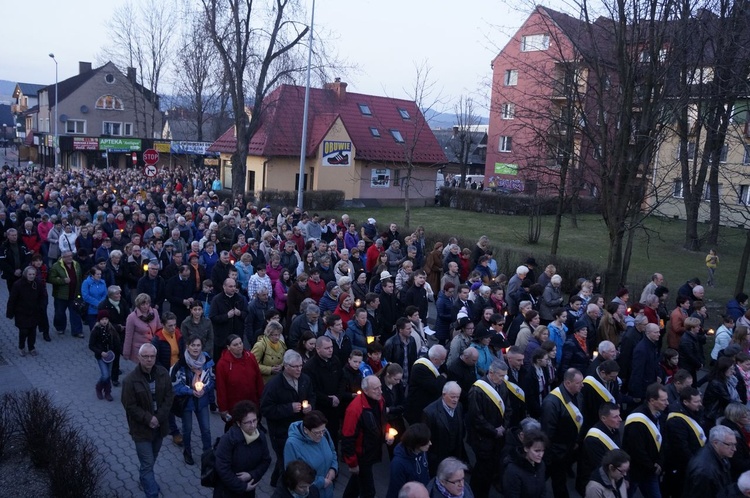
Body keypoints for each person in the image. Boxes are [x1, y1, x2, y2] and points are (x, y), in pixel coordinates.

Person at [121, 343, 174, 498]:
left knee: (151, 459)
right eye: (145, 356)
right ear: (139, 358)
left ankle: (144, 478)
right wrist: (148, 418)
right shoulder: (130, 380)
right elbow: (129, 405)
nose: (149, 359)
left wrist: (158, 418)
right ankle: (151, 492)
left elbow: (169, 397)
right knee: (147, 462)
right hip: (141, 430)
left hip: (160, 426)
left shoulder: (163, 373)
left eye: (152, 356)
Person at [260, 350, 315, 487]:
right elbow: (266, 409)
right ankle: (282, 488)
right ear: (285, 366)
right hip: (281, 432)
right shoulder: (274, 385)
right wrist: (288, 408)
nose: (299, 369)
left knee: (287, 461)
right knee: (285, 462)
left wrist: (310, 407)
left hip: (299, 429)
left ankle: (275, 481)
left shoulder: (305, 379)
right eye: (295, 366)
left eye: (300, 366)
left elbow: (312, 395)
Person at [467, 359, 510, 497]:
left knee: (492, 466)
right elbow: (476, 417)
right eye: (501, 376)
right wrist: (493, 430)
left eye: (505, 376)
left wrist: (504, 427)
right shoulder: (477, 390)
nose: (503, 379)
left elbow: (508, 409)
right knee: (482, 469)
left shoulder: (502, 386)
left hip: (498, 435)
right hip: (482, 438)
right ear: (491, 373)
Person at [341, 375, 390, 498]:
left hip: (371, 450)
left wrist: (387, 432)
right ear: (365, 390)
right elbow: (348, 437)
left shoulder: (380, 400)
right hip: (362, 455)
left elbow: (383, 420)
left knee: (356, 484)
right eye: (376, 389)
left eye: (380, 387)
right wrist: (352, 463)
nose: (380, 391)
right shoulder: (355, 409)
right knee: (369, 491)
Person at [170, 334, 215, 466]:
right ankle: (187, 452)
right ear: (187, 347)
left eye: (198, 345)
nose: (196, 348)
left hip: (202, 401)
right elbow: (175, 386)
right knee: (187, 430)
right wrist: (191, 391)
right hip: (187, 403)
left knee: (206, 429)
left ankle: (207, 454)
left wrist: (204, 390)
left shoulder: (207, 360)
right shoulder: (180, 365)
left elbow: (212, 379)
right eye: (193, 345)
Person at [213, 400, 272, 498]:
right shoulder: (228, 440)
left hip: (249, 489)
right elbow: (222, 469)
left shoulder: (260, 436)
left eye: (255, 420)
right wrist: (242, 486)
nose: (253, 425)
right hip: (227, 491)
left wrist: (251, 475)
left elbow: (266, 460)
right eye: (248, 422)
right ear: (238, 423)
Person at [541, 368, 583, 498]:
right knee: (557, 481)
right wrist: (553, 453)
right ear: (568, 382)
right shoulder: (551, 402)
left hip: (568, 447)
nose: (582, 385)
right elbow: (548, 432)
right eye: (578, 383)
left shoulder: (578, 395)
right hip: (557, 451)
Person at [622, 383, 669, 498]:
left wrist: (660, 461)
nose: (667, 403)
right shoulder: (637, 421)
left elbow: (662, 441)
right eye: (663, 400)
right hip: (634, 471)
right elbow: (637, 450)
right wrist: (653, 467)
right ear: (652, 401)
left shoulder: (660, 416)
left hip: (650, 470)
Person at [662, 387, 706, 498]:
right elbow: (682, 448)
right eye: (696, 402)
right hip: (680, 465)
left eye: (699, 400)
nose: (699, 404)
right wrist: (695, 465)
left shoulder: (694, 411)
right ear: (685, 402)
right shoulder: (676, 421)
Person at [302, 336, 344, 452]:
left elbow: (342, 379)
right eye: (327, 348)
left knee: (334, 433)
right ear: (318, 349)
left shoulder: (335, 360)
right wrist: (328, 399)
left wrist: (338, 397)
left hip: (335, 406)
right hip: (321, 409)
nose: (330, 350)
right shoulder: (309, 367)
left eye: (331, 347)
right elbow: (312, 390)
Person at [284, 410, 338, 498]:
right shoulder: (292, 444)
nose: (321, 435)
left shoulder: (324, 432)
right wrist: (321, 482)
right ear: (305, 430)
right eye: (316, 432)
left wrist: (333, 468)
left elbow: (333, 451)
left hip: (328, 490)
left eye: (323, 431)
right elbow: (293, 476)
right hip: (309, 493)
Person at [216, 334, 264, 431]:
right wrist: (223, 409)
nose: (239, 346)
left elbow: (258, 378)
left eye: (240, 343)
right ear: (228, 348)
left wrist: (262, 397)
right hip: (234, 405)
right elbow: (221, 388)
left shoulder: (250, 357)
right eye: (235, 345)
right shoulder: (222, 364)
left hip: (252, 402)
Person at [578, 403, 622, 496]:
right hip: (595, 483)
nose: (620, 419)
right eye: (615, 417)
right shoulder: (593, 439)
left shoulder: (614, 430)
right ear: (603, 418)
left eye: (619, 415)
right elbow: (600, 465)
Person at [683, 425, 735, 498]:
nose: (734, 449)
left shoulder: (721, 455)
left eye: (734, 444)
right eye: (729, 444)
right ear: (715, 443)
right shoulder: (704, 470)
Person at [6, 265, 46, 356]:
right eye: (30, 274)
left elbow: (42, 296)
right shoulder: (18, 285)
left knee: (32, 331)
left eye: (33, 274)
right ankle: (21, 347)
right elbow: (12, 299)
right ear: (25, 274)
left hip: (34, 311)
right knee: (23, 331)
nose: (31, 276)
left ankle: (31, 347)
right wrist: (10, 313)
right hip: (21, 312)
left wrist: (41, 307)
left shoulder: (38, 283)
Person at [405, 344, 448, 424]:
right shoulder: (420, 368)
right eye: (442, 360)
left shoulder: (438, 362)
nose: (443, 362)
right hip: (419, 409)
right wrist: (442, 377)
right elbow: (435, 387)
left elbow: (446, 372)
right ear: (435, 359)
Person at [386, 423, 432, 498]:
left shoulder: (422, 452)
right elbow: (396, 490)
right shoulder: (398, 464)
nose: (430, 443)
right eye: (426, 442)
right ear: (416, 443)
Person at [210, 277, 248, 361]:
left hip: (237, 335)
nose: (233, 288)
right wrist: (226, 316)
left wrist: (240, 313)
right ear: (224, 287)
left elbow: (246, 314)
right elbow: (213, 317)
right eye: (230, 286)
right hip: (222, 338)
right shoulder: (217, 299)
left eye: (234, 286)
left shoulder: (241, 299)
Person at [502, 429, 548, 498]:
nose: (541, 455)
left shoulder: (541, 465)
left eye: (542, 451)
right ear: (526, 448)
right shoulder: (512, 470)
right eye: (537, 451)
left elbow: (543, 489)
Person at [48, 250, 84, 337]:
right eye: (67, 256)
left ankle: (77, 331)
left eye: (71, 256)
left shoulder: (76, 264)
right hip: (61, 295)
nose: (70, 258)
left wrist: (80, 292)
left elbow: (80, 277)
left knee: (76, 312)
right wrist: (62, 280)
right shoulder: (56, 266)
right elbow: (50, 279)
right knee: (60, 313)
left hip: (74, 294)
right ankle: (60, 328)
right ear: (62, 257)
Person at [88, 309, 120, 401]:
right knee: (105, 375)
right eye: (102, 319)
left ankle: (107, 392)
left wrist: (118, 351)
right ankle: (98, 387)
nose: (104, 321)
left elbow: (116, 341)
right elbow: (91, 345)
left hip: (110, 356)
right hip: (101, 356)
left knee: (108, 375)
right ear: (99, 320)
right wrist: (100, 352)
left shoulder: (111, 329)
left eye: (106, 319)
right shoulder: (96, 330)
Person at [123, 293, 162, 362]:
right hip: (139, 350)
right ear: (138, 305)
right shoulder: (132, 317)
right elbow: (128, 336)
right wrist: (126, 353)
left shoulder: (155, 312)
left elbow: (159, 329)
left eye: (147, 304)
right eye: (143, 304)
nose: (145, 306)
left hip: (153, 347)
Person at [704, 356, 743, 424]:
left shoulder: (726, 380)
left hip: (719, 411)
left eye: (733, 369)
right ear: (723, 369)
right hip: (714, 414)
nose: (733, 372)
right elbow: (728, 399)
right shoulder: (717, 383)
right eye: (731, 369)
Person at [81, 267, 108, 332]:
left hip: (101, 309)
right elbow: (85, 296)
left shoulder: (103, 282)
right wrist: (97, 303)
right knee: (94, 329)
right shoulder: (86, 283)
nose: (99, 276)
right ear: (92, 275)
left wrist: (101, 303)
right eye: (97, 274)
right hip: (91, 309)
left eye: (100, 274)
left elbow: (105, 294)